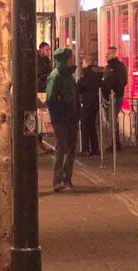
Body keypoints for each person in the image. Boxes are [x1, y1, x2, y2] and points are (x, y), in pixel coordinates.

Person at [44, 46, 78, 191]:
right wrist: (61, 107)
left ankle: (67, 178)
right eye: (72, 56)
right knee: (61, 147)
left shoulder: (69, 75)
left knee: (71, 148)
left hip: (71, 116)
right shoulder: (56, 75)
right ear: (67, 59)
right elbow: (50, 98)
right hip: (61, 118)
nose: (74, 58)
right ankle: (57, 180)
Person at [104, 48, 130, 149]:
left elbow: (123, 81)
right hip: (107, 97)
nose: (106, 55)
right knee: (111, 120)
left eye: (108, 54)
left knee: (112, 119)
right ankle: (115, 142)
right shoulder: (108, 67)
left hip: (115, 97)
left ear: (114, 54)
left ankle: (114, 144)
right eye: (106, 53)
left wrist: (114, 91)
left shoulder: (119, 66)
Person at [77, 57, 103, 156]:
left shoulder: (86, 75)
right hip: (95, 103)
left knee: (85, 125)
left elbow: (78, 87)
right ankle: (95, 148)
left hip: (87, 103)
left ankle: (85, 149)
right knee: (92, 126)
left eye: (83, 62)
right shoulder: (96, 74)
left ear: (86, 64)